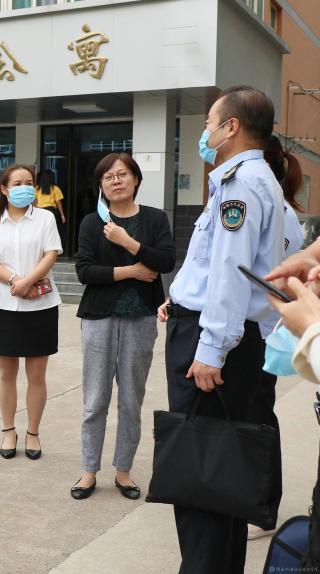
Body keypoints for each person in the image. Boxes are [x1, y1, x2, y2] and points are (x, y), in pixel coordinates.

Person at [157, 86, 287, 574]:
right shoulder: (258, 180)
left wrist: (211, 348)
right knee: (222, 475)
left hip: (213, 344)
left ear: (231, 127)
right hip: (227, 335)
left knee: (200, 474)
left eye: (209, 123)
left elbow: (233, 273)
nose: (205, 132)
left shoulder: (240, 183)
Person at [70, 153, 175, 501]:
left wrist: (128, 242)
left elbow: (165, 261)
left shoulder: (155, 219)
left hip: (140, 318)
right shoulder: (91, 223)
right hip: (98, 318)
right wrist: (131, 271)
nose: (116, 181)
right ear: (101, 186)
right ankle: (88, 471)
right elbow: (84, 271)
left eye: (123, 174)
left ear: (136, 179)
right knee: (95, 399)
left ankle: (123, 471)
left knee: (131, 399)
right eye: (108, 177)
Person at [0, 164, 62, 461]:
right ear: (4, 189)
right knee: (6, 373)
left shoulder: (45, 218)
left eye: (29, 183)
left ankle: (33, 433)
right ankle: (8, 431)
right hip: (4, 305)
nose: (24, 187)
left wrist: (28, 282)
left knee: (36, 375)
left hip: (41, 305)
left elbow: (50, 254)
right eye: (17, 183)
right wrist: (16, 281)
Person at [245, 134, 306, 539]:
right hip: (253, 329)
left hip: (261, 330)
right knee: (253, 418)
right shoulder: (275, 209)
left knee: (258, 421)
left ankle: (263, 510)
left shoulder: (278, 213)